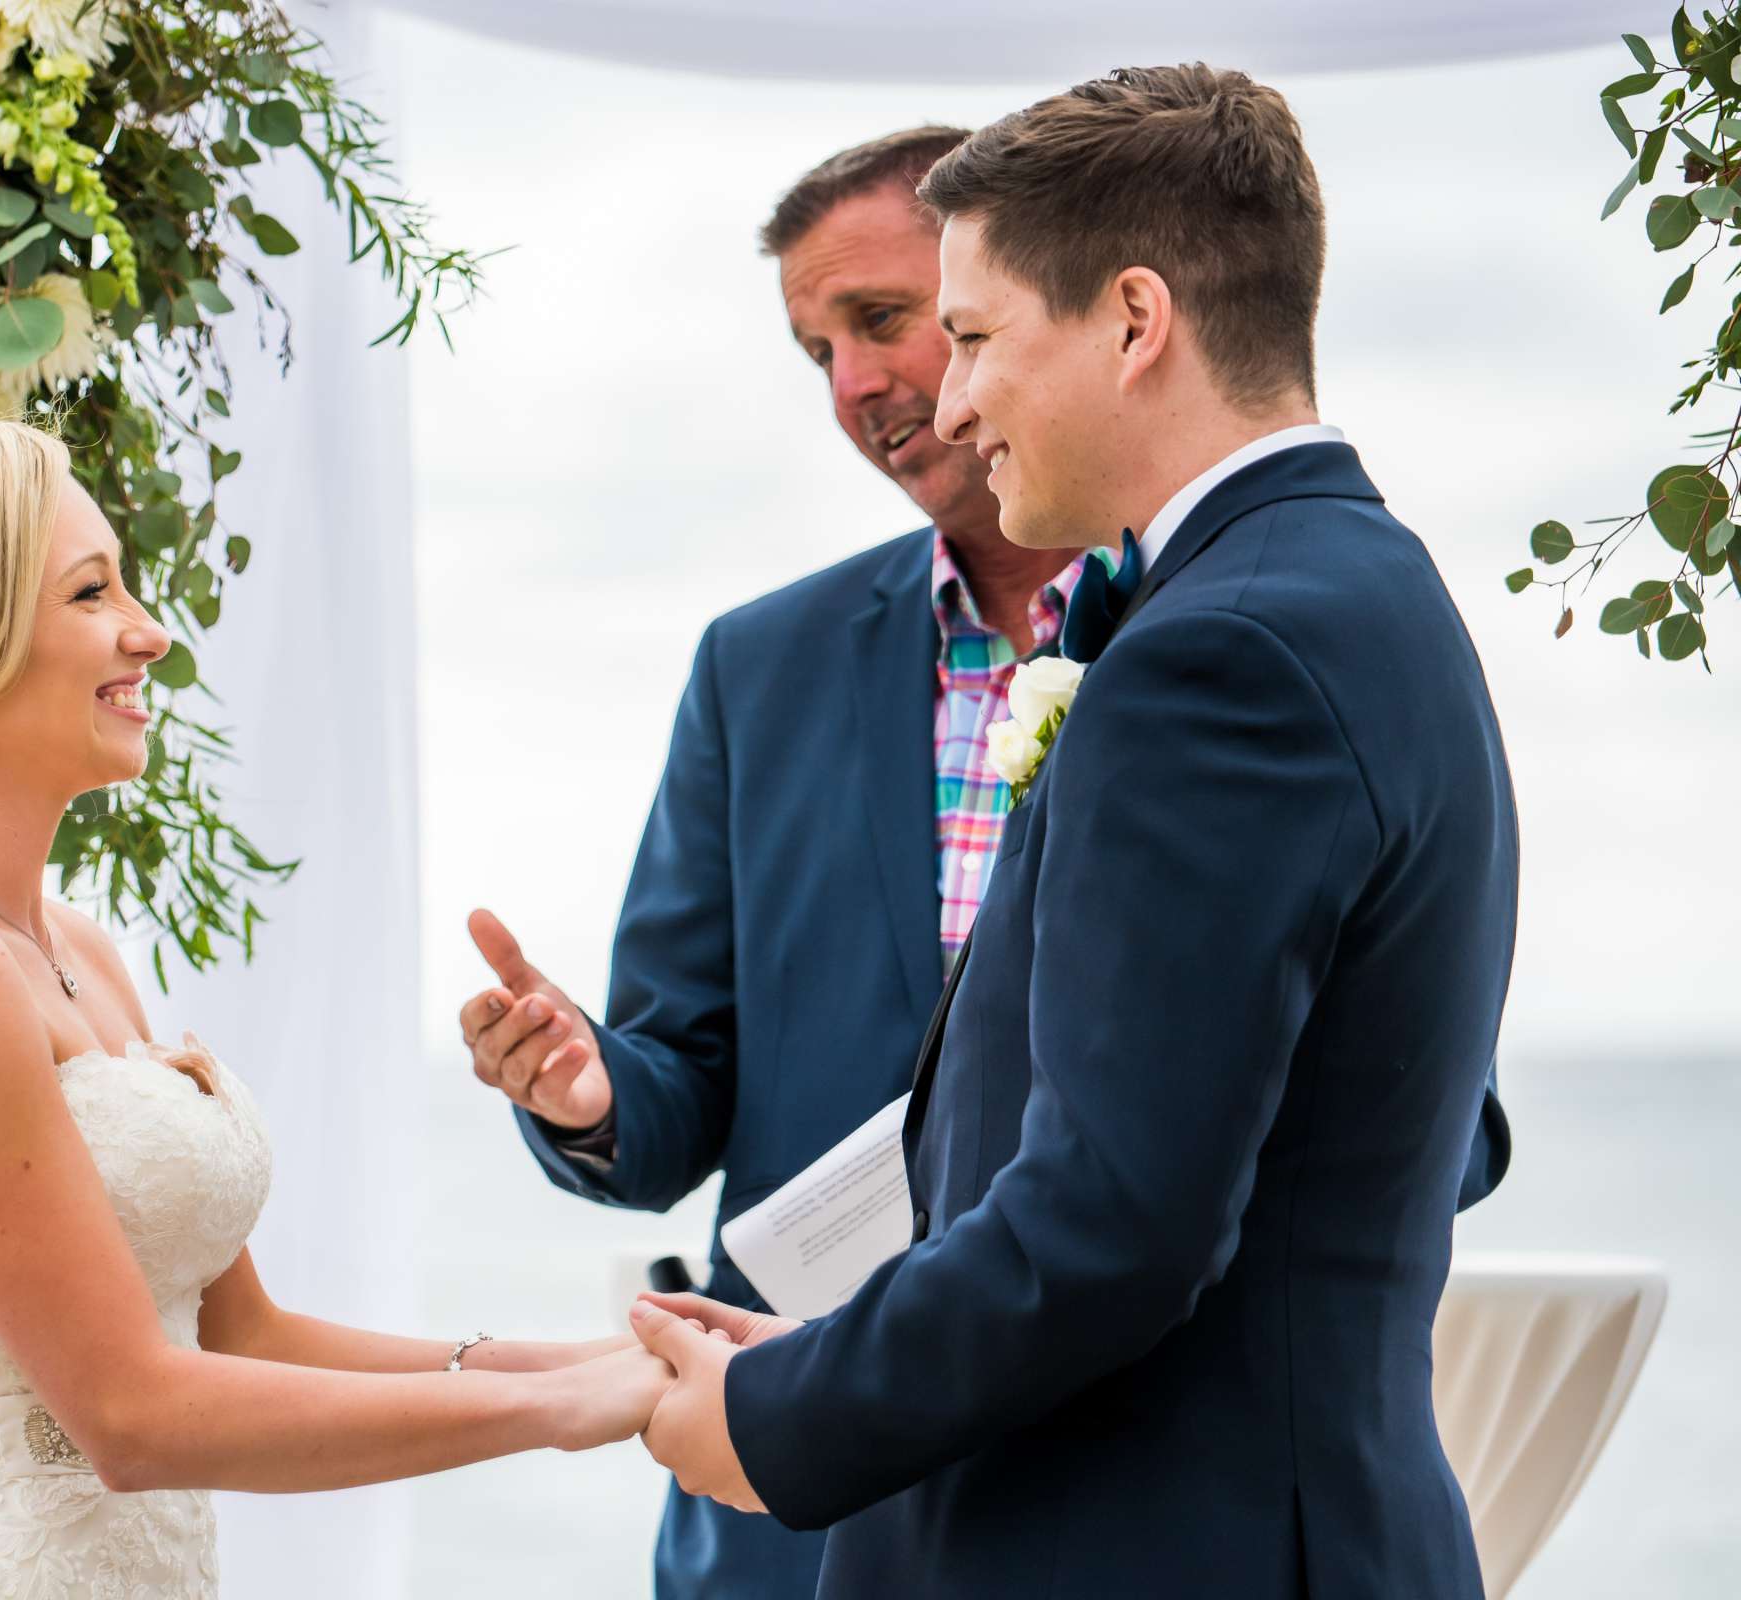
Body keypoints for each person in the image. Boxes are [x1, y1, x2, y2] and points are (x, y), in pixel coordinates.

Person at [629, 64, 1516, 1600]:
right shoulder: (1355, 587)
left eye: (971, 336)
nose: (952, 401)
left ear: (1132, 318)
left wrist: (778, 1417)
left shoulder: (1219, 656)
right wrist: (839, 1340)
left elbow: (1113, 1223)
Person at [0, 400, 671, 1596]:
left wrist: (597, 1362)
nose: (147, 635)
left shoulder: (74, 949)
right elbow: (131, 1413)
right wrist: (566, 1414)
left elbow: (244, 1336)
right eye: (91, 594)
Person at [456, 125, 1093, 1598]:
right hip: (792, 1495)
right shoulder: (760, 668)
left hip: (1114, 1468)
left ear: (1010, 300)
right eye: (817, 353)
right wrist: (592, 1087)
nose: (856, 386)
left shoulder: (1216, 637)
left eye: (881, 321)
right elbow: (684, 1083)